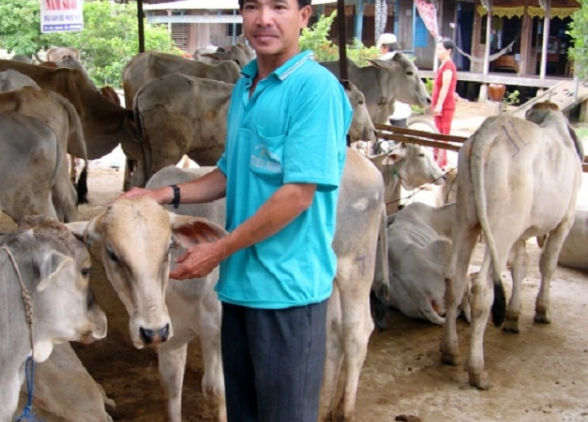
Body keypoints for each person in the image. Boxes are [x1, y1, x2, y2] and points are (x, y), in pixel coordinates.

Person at [120, 0, 352, 420]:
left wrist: (219, 250)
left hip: (287, 296)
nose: (264, 19)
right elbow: (229, 173)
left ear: (304, 16)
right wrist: (161, 195)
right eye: (252, 7)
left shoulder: (314, 90)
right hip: (240, 290)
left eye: (279, 6)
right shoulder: (247, 85)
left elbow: (298, 194)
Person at [432, 38, 458, 167]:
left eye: (440, 49)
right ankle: (436, 160)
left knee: (443, 135)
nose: (438, 51)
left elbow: (445, 87)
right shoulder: (442, 65)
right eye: (437, 48)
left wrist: (439, 105)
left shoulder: (448, 66)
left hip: (445, 106)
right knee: (437, 133)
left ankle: (441, 163)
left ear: (448, 51)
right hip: (440, 104)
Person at [377, 33, 412, 128]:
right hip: (403, 104)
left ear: (385, 47)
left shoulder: (382, 61)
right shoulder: (404, 60)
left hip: (388, 106)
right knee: (401, 134)